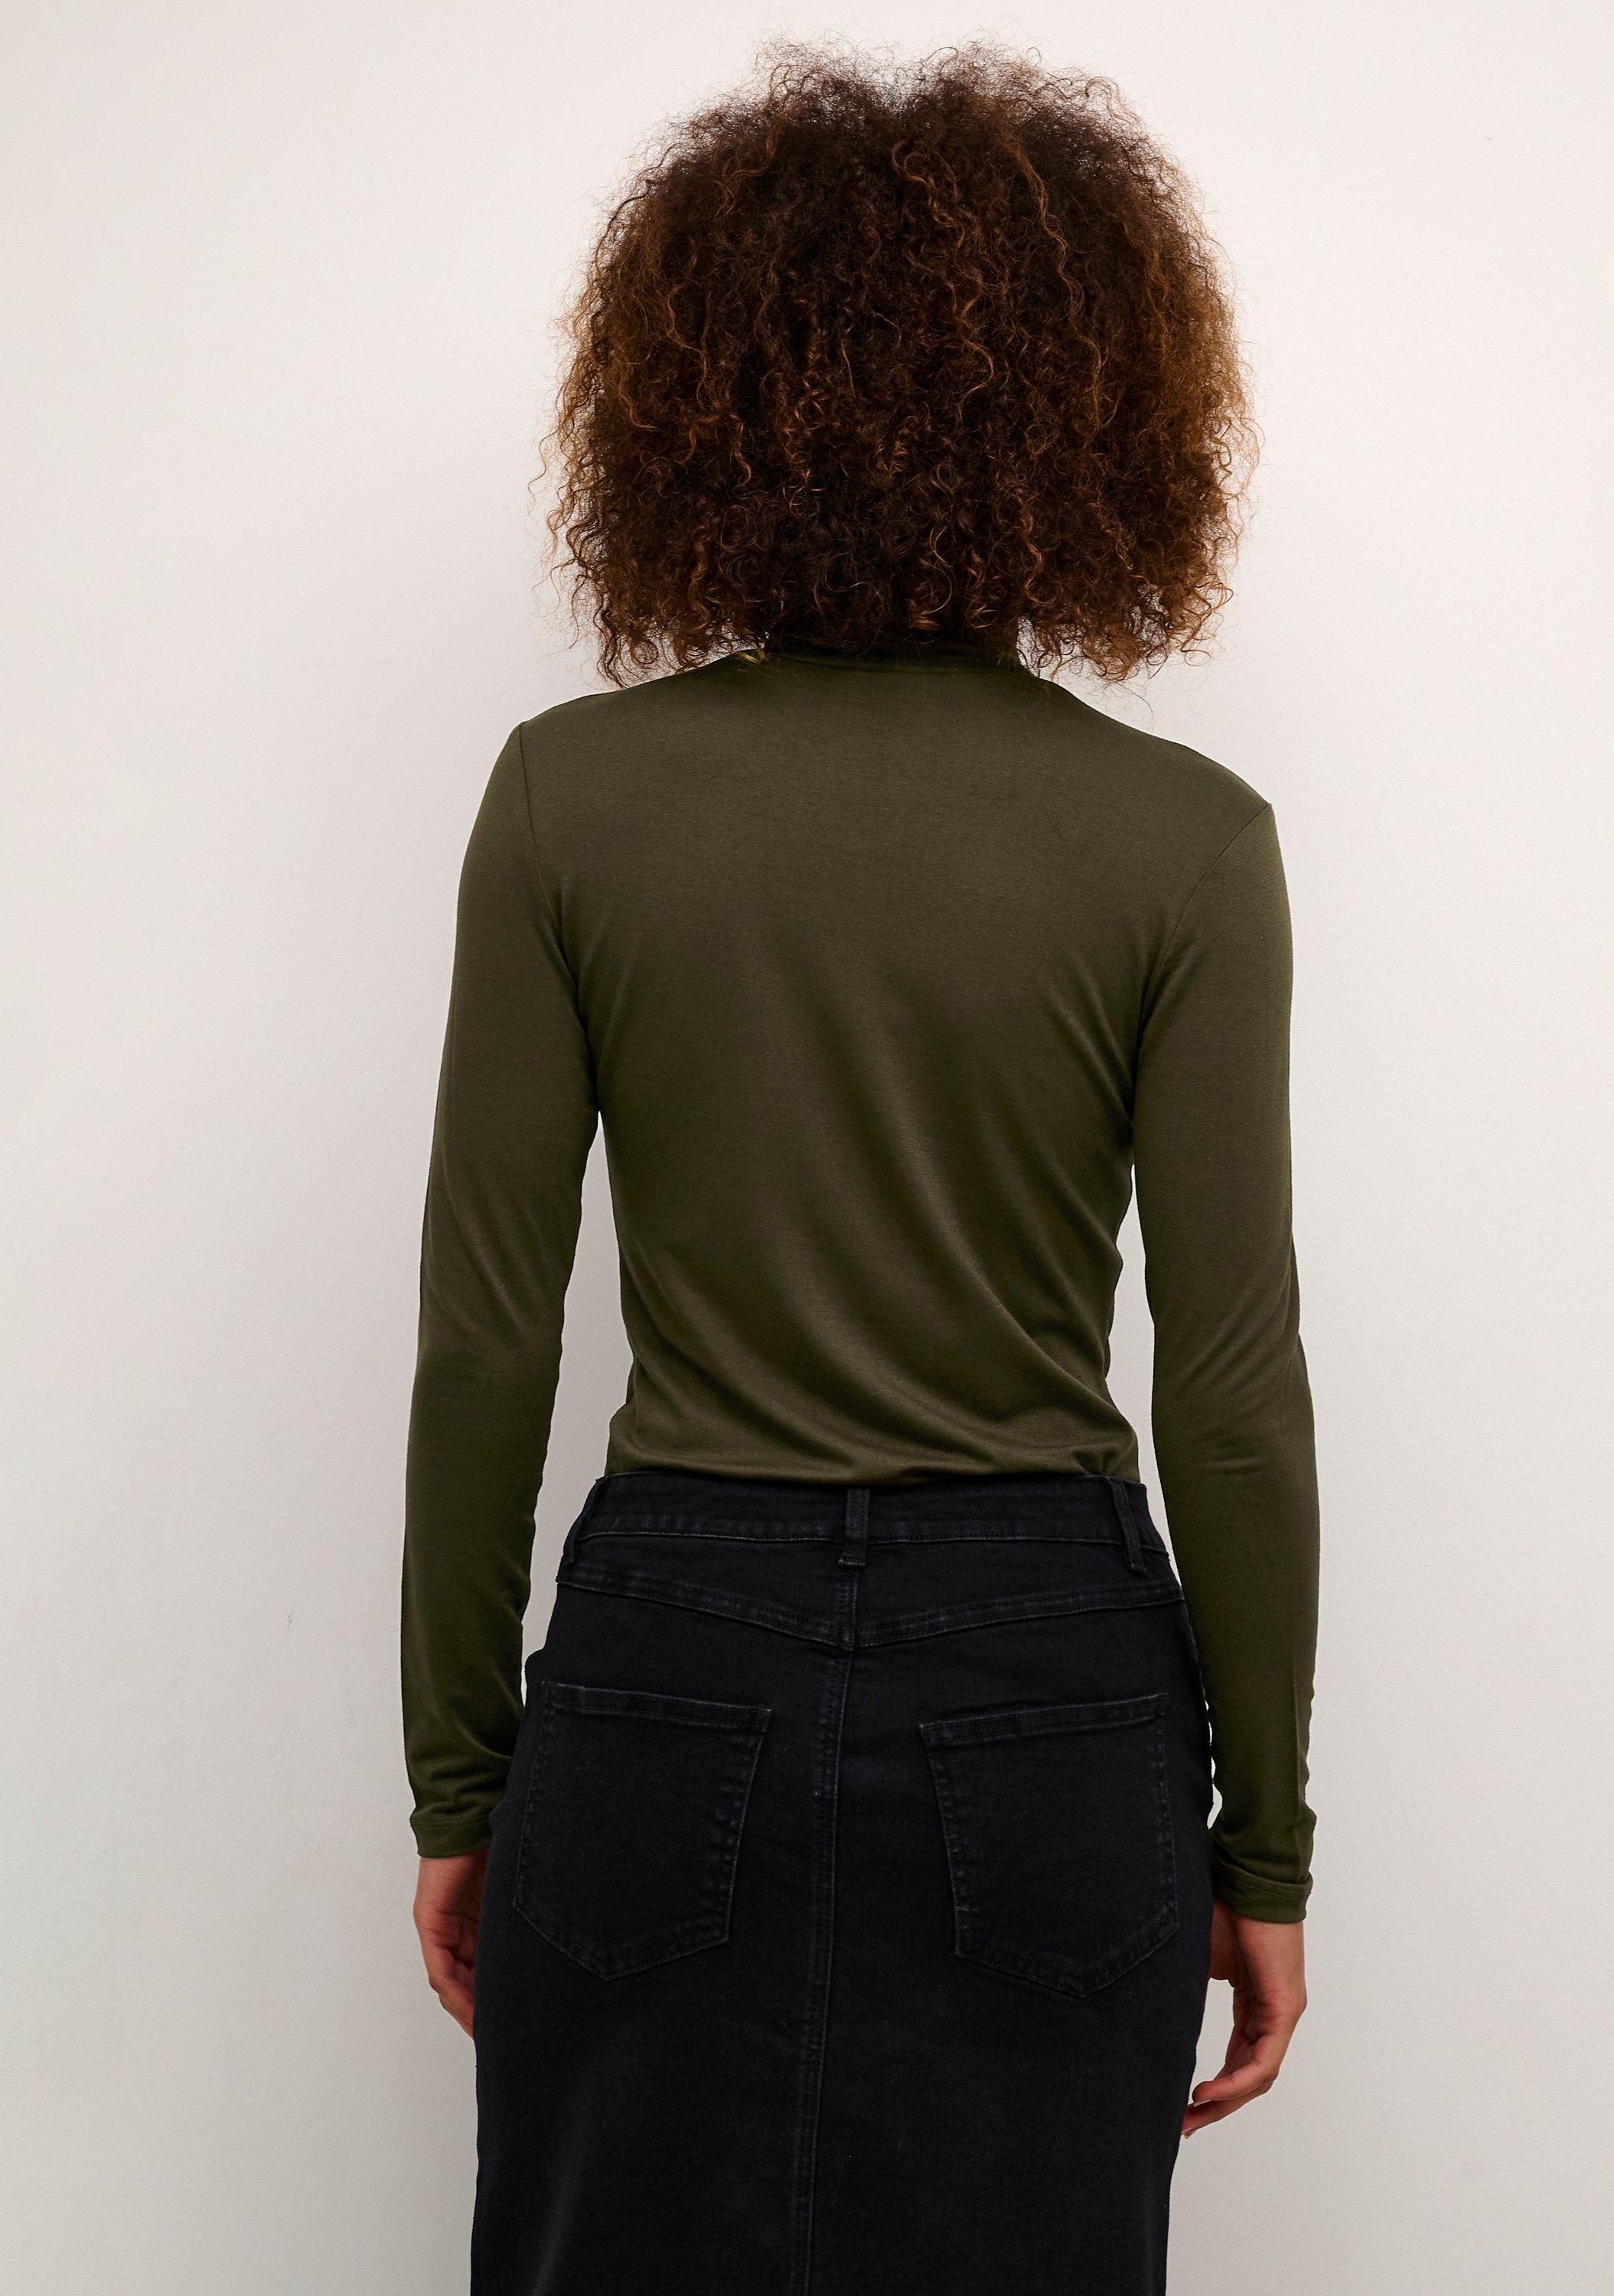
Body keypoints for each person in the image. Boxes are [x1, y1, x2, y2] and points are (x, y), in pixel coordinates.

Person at [402, 42, 1319, 2296]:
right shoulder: (1183, 841)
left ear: (693, 401)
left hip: (667, 1655)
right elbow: (1229, 1391)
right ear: (1097, 417)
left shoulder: (567, 798)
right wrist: (1266, 1848)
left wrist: (462, 1785)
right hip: (1054, 1680)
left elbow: (486, 1336)